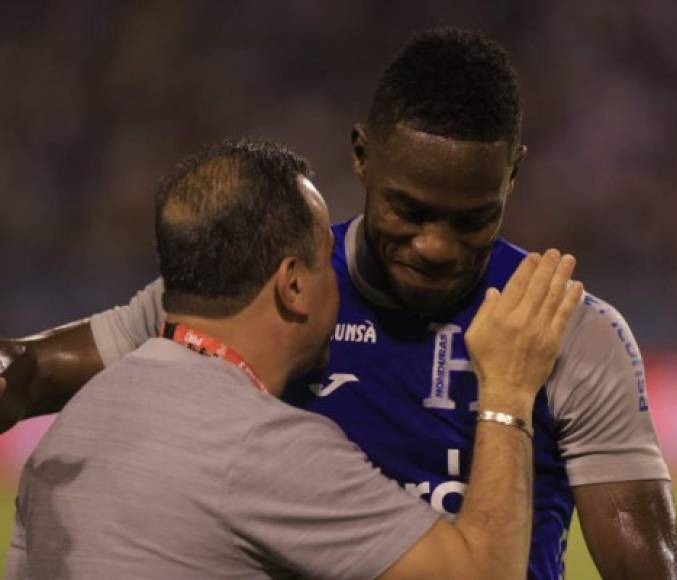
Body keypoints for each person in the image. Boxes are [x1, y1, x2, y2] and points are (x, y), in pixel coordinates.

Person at [0, 28, 677, 578]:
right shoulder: (258, 291)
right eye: (409, 211)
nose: (437, 247)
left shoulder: (566, 333)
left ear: (513, 175)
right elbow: (28, 371)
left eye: (473, 218)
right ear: (362, 157)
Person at [5, 138, 582, 579]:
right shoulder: (264, 448)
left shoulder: (76, 424)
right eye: (326, 261)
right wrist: (507, 390)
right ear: (293, 286)